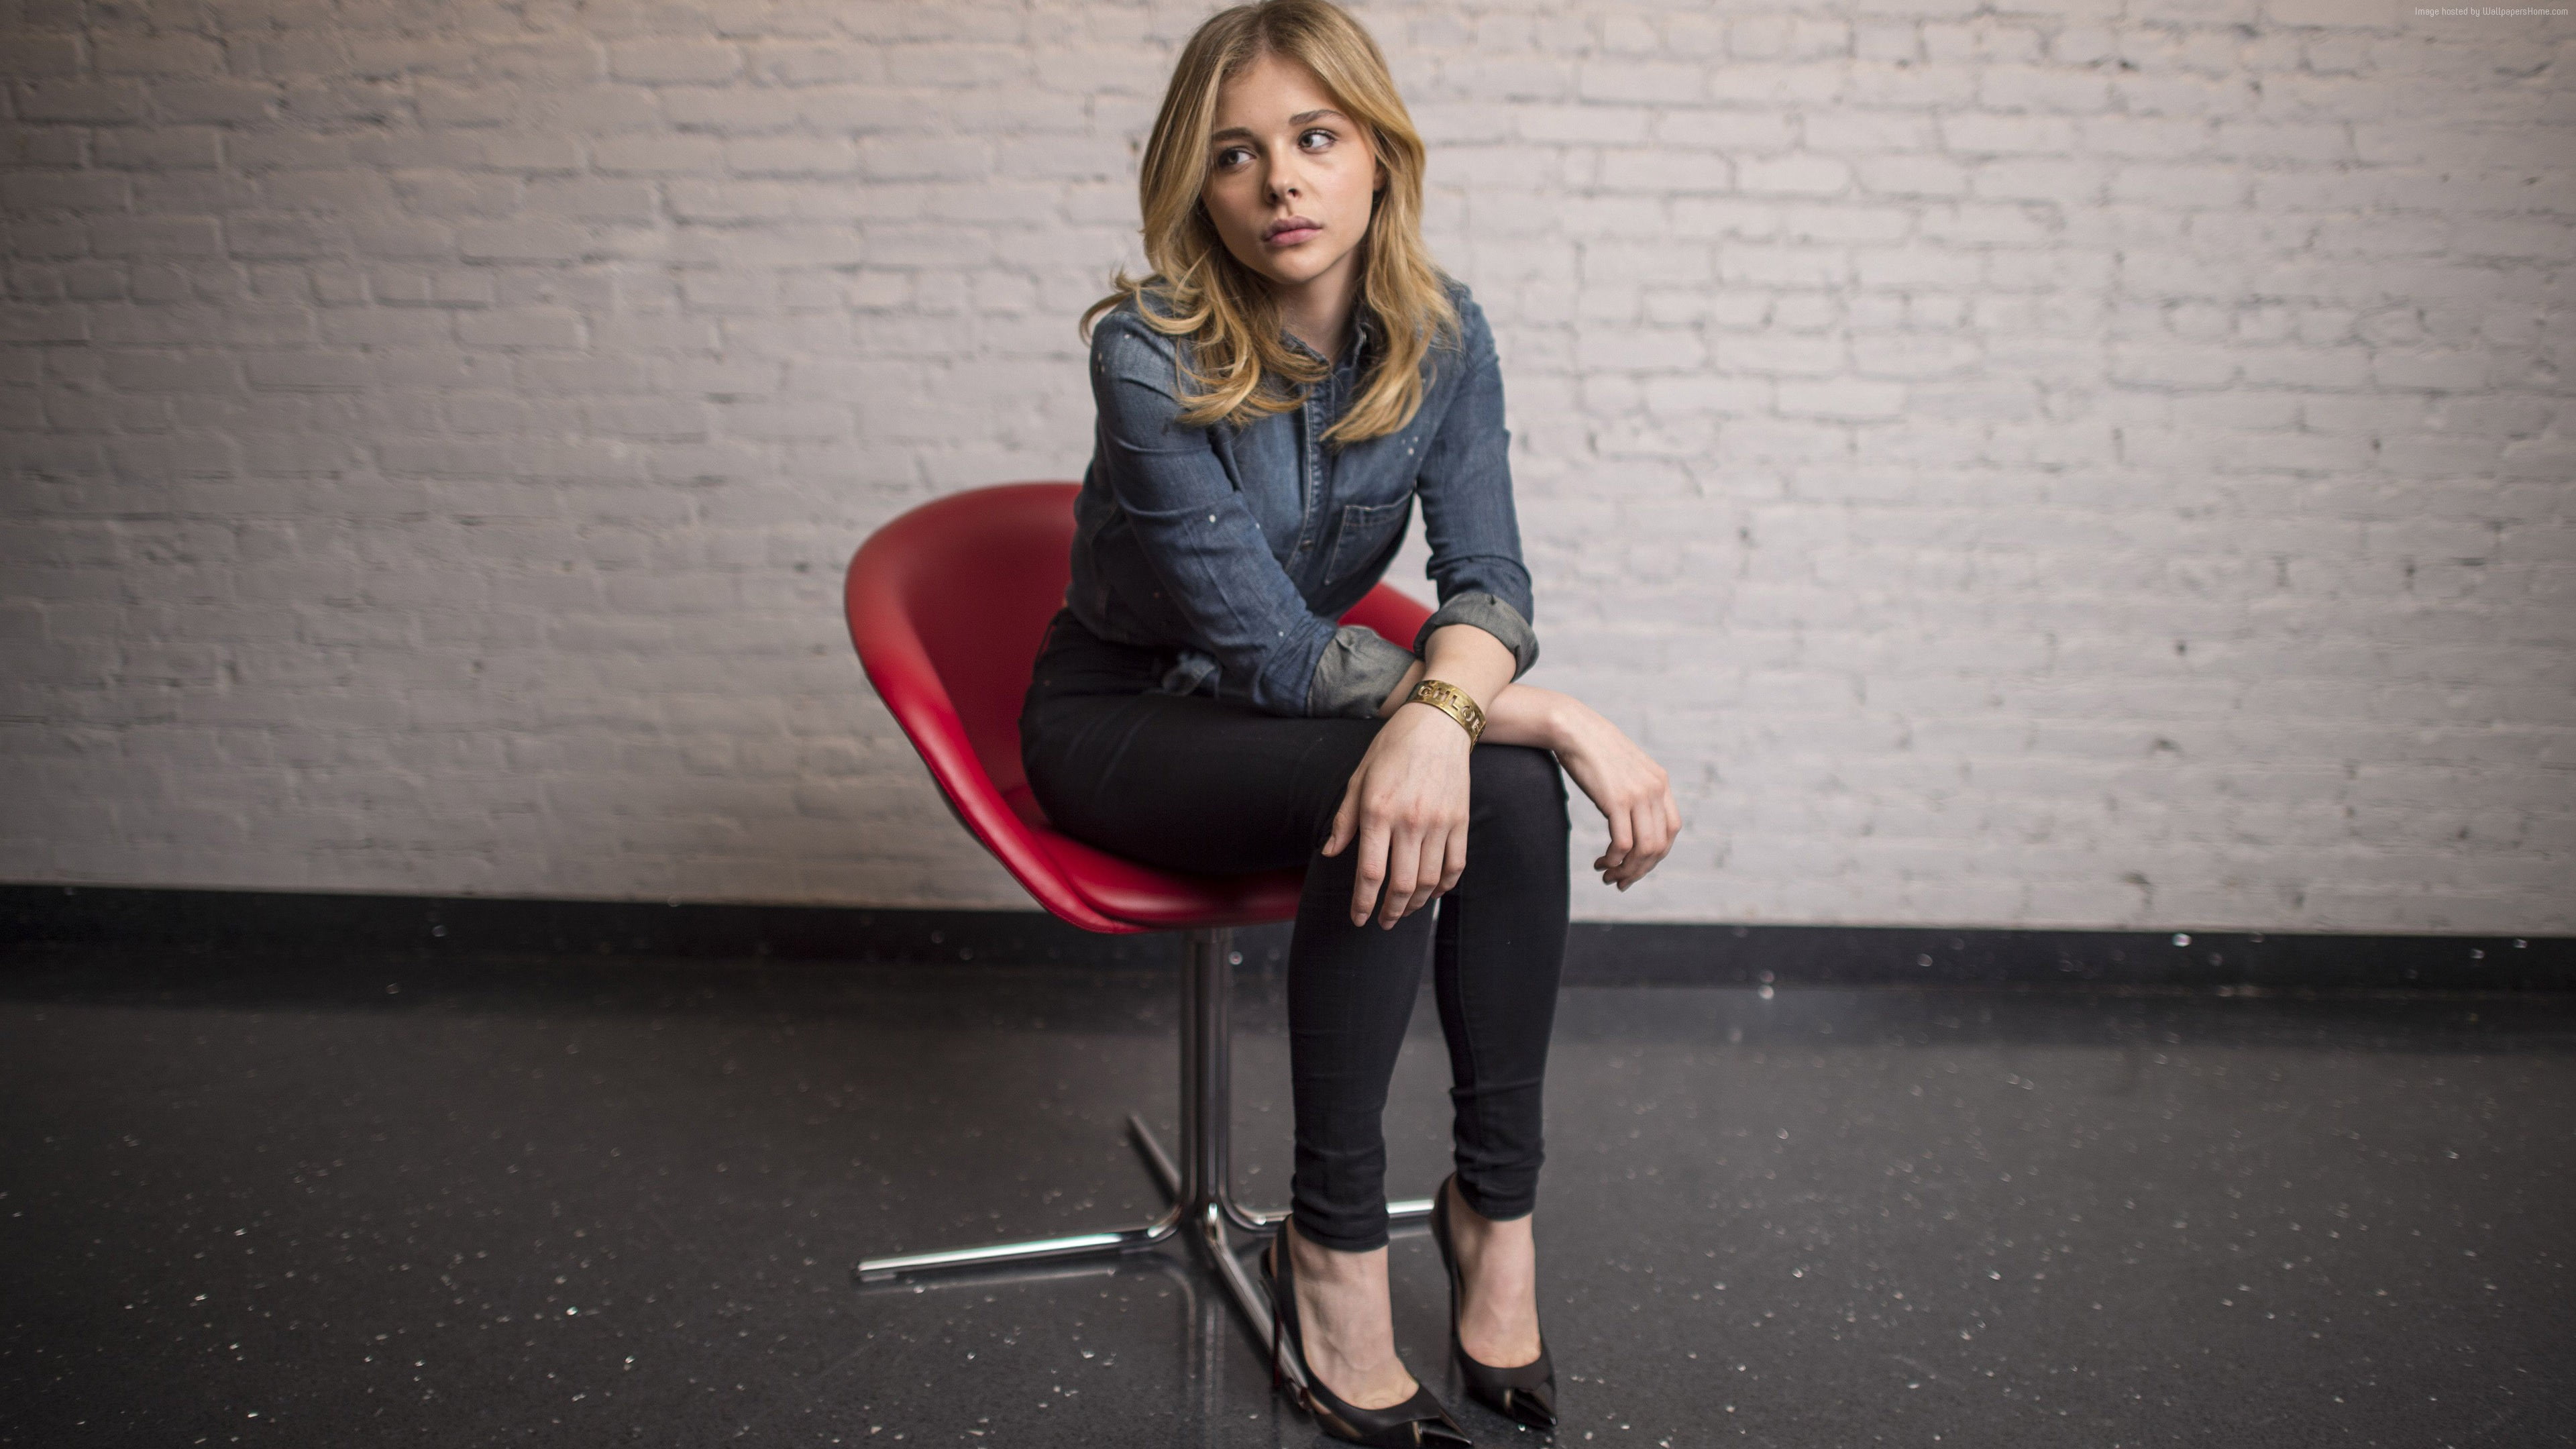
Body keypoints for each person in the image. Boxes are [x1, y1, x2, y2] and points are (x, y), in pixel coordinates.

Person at [1017, 2, 1680, 1442]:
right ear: (1197, 183)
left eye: (1316, 139)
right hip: (1125, 724)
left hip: (1311, 703)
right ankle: (1331, 1244)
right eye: (1236, 154)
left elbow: (1489, 579)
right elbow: (1263, 654)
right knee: (1461, 771)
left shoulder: (1446, 342)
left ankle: (1492, 1214)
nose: (1281, 184)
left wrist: (1457, 715)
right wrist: (1532, 711)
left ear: (1379, 153)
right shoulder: (1146, 351)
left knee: (1490, 789)